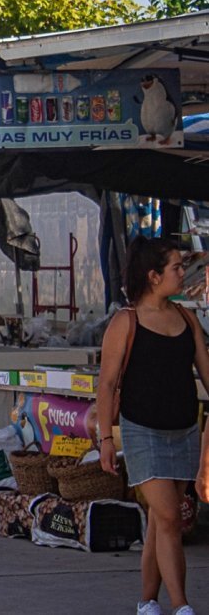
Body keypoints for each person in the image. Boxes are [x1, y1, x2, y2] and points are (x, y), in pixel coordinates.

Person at [98, 238, 208, 615]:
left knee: (162, 524)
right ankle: (181, 605)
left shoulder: (187, 318)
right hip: (141, 430)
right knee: (168, 518)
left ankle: (147, 601)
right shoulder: (125, 322)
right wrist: (104, 440)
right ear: (153, 276)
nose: (182, 273)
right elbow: (107, 384)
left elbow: (206, 372)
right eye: (176, 267)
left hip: (183, 431)